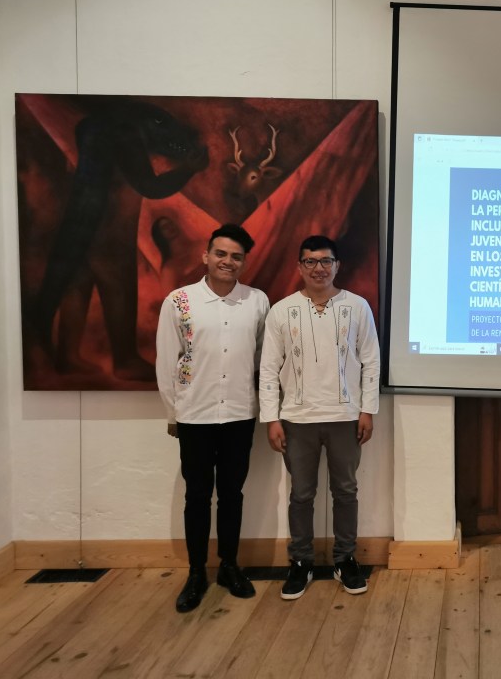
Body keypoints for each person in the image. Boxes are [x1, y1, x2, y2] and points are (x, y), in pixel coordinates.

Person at [155, 223, 270, 613]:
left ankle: (229, 566)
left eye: (236, 256)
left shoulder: (257, 301)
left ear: (244, 262)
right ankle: (196, 573)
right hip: (195, 414)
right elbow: (166, 361)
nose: (228, 261)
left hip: (239, 412)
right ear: (206, 255)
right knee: (198, 495)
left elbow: (263, 359)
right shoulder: (180, 301)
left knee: (233, 494)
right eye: (221, 253)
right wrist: (173, 412)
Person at [260, 235, 380, 600]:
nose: (319, 268)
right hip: (296, 419)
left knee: (346, 491)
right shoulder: (282, 311)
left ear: (337, 265)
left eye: (326, 261)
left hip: (346, 416)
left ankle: (345, 558)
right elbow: (268, 369)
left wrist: (367, 410)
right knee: (301, 494)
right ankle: (301, 561)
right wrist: (272, 418)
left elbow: (371, 360)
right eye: (310, 261)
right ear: (300, 267)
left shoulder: (357, 307)